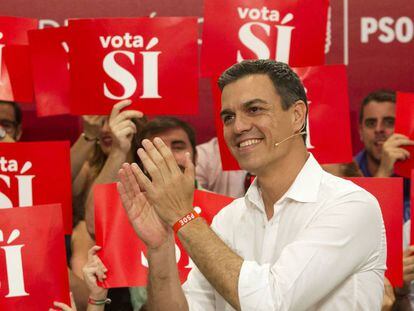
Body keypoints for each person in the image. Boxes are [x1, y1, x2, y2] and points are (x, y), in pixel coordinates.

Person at [117, 59, 386, 310]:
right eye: (228, 117)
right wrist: (160, 247)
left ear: (297, 116)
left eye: (254, 109)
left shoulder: (350, 205)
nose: (238, 127)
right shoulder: (227, 219)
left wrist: (182, 216)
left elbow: (270, 302)